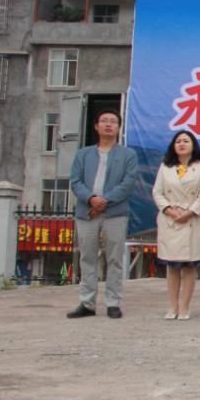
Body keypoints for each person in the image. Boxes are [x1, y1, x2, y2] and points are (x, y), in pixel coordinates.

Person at [67, 108, 139, 320]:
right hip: (86, 212)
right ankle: (87, 303)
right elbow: (75, 181)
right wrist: (91, 199)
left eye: (113, 121)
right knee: (87, 257)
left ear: (119, 128)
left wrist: (103, 201)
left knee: (114, 258)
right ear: (96, 126)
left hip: (115, 212)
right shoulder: (83, 154)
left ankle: (113, 303)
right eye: (104, 121)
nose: (108, 124)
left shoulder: (128, 155)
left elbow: (128, 183)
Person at [152, 130, 200, 320]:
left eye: (186, 141)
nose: (182, 144)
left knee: (189, 267)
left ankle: (184, 307)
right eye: (178, 141)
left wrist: (189, 212)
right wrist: (169, 210)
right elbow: (157, 192)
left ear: (193, 145)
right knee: (172, 267)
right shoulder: (165, 167)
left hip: (191, 219)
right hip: (170, 219)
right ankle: (172, 307)